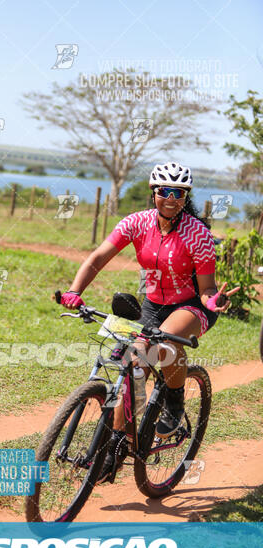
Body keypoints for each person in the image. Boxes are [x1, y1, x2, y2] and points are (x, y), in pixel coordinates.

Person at [60, 162, 240, 483]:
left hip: (191, 305)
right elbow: (97, 258)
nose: (171, 198)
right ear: (153, 193)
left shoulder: (198, 234)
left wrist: (215, 301)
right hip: (153, 305)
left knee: (167, 340)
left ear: (186, 197)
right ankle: (116, 444)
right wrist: (75, 291)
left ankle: (174, 402)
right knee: (133, 363)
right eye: (164, 191)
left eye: (179, 193)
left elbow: (207, 289)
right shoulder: (137, 223)